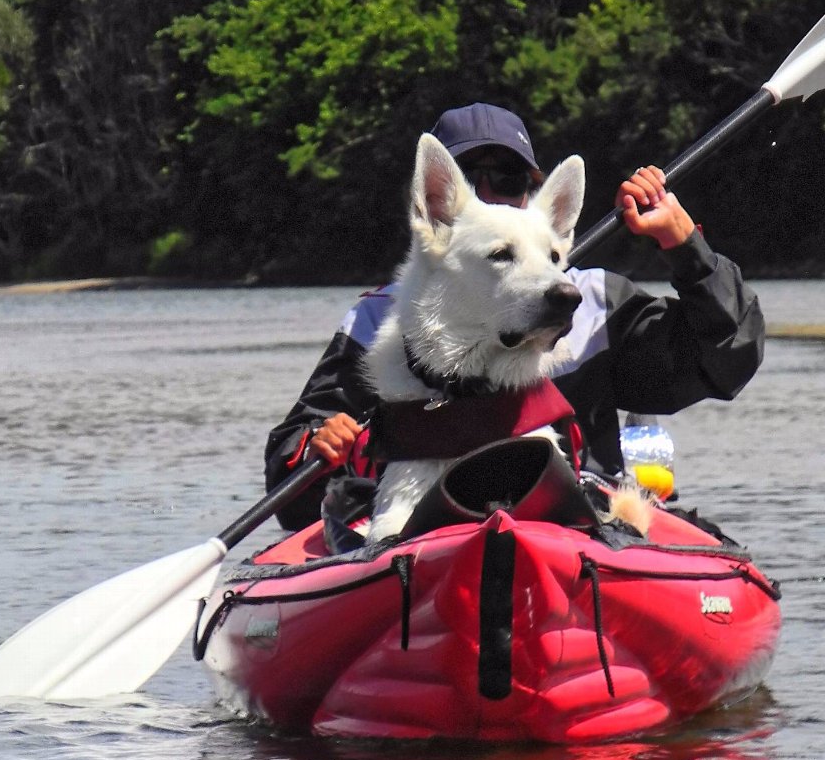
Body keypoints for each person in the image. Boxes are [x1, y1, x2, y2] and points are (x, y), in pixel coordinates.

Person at [264, 102, 763, 530]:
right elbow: (289, 484)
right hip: (422, 535)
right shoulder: (377, 321)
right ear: (438, 205)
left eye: (506, 177)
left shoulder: (589, 303)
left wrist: (684, 247)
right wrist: (315, 447)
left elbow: (726, 359)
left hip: (579, 534)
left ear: (530, 189)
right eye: (465, 178)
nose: (487, 194)